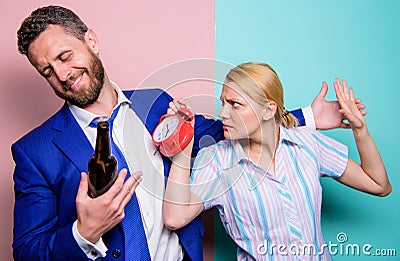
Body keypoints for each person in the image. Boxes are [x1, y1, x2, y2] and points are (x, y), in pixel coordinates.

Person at [12, 5, 362, 261]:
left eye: (65, 56)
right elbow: (27, 251)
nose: (62, 74)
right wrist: (83, 234)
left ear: (91, 41)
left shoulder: (155, 103)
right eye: (47, 70)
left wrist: (305, 116)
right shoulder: (35, 151)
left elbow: (225, 131)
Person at [163, 62, 391, 260]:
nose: (223, 113)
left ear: (268, 110)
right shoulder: (217, 160)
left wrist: (360, 130)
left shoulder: (307, 143)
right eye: (223, 102)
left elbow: (379, 185)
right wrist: (183, 142)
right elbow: (174, 217)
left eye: (235, 104)